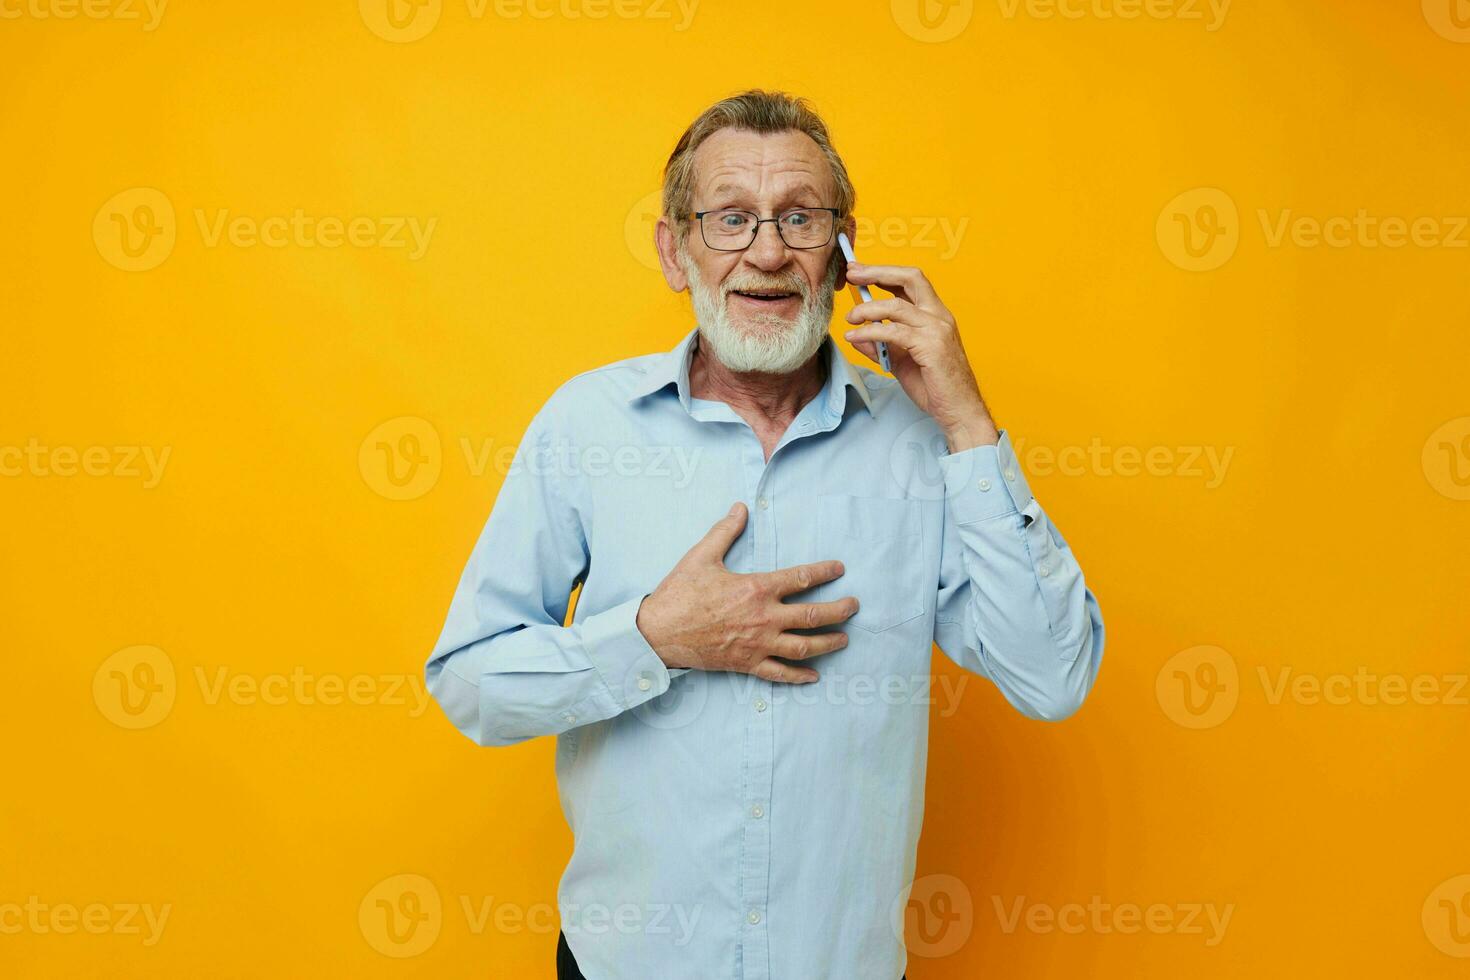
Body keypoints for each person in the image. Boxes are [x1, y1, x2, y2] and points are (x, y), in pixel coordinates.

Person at [426, 89, 1105, 980]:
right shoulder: (586, 426)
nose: (771, 251)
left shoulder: (921, 437)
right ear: (678, 251)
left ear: (844, 248)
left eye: (800, 218)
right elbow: (472, 683)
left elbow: (1054, 677)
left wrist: (969, 422)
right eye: (732, 219)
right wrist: (654, 639)